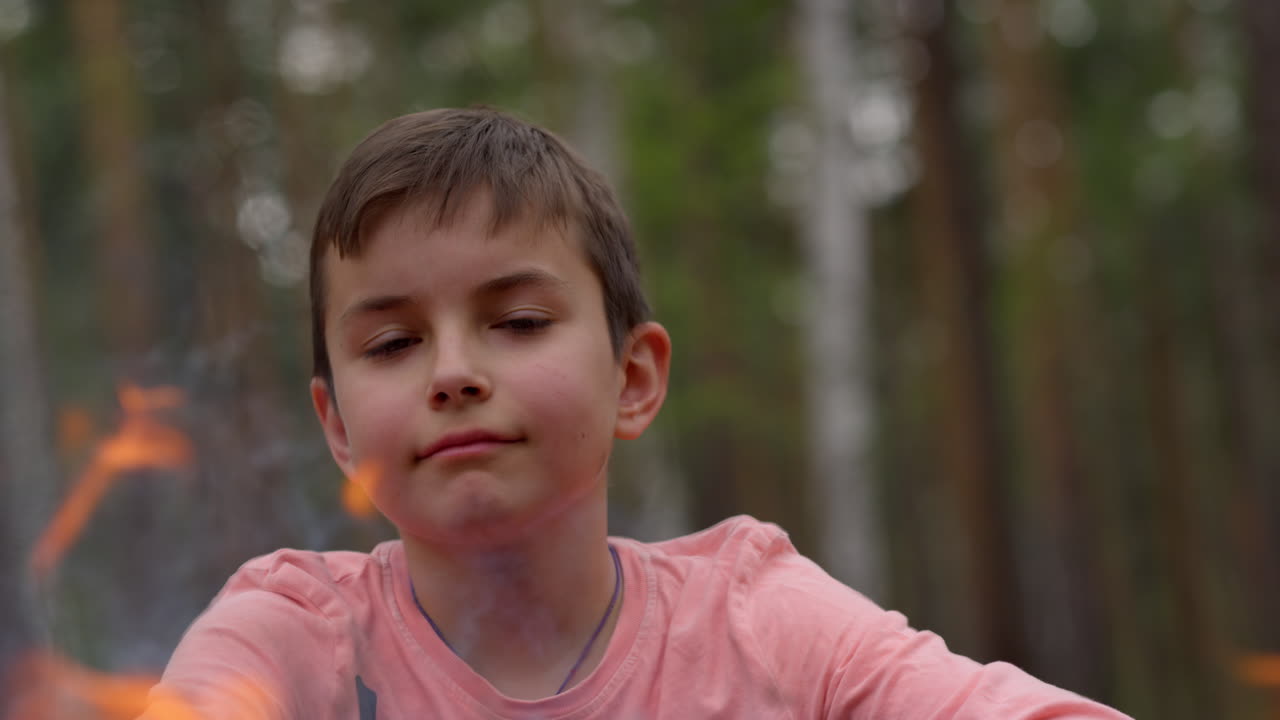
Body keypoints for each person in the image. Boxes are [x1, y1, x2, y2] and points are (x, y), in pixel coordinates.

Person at [143, 107, 1131, 719]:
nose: (451, 373)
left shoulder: (757, 625)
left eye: (517, 321)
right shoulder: (292, 638)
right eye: (393, 344)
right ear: (337, 426)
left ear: (634, 378)